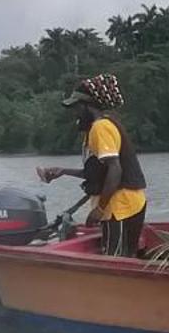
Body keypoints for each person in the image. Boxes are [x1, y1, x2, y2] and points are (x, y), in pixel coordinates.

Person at [38, 74, 148, 257]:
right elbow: (101, 172)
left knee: (115, 259)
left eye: (77, 107)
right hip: (129, 202)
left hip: (119, 206)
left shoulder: (100, 128)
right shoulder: (102, 126)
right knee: (126, 256)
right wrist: (63, 171)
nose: (74, 113)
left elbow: (115, 170)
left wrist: (100, 209)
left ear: (88, 106)